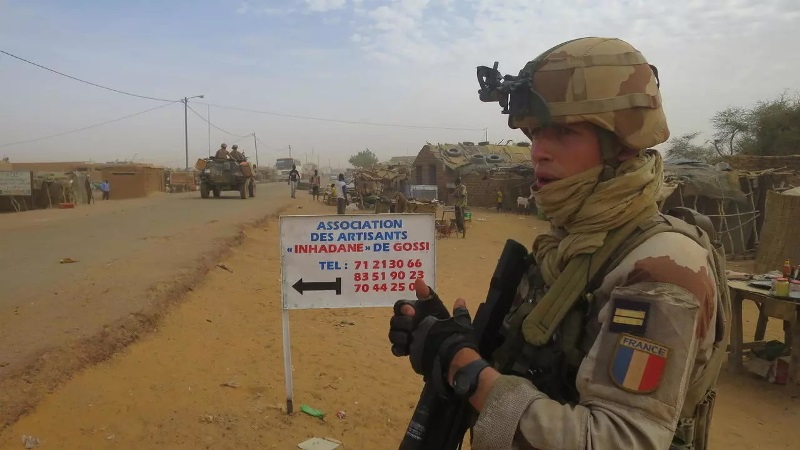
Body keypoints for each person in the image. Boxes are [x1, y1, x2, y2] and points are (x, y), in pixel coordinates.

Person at [388, 36, 731, 450]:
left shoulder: (661, 269)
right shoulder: (574, 244)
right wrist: (453, 338)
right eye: (534, 134)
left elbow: (621, 439)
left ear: (621, 143)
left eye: (563, 132)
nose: (537, 152)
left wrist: (466, 370)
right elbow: (541, 368)